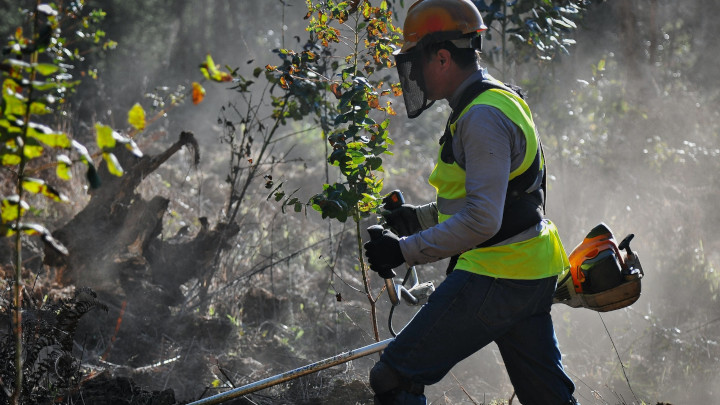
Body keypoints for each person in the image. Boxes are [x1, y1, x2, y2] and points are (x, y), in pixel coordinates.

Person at [362, 0, 578, 404]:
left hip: (497, 272)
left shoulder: (481, 117)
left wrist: (404, 251)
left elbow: (482, 219)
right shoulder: (494, 98)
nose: (412, 75)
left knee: (394, 377)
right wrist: (419, 218)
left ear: (442, 57)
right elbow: (501, 194)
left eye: (416, 62)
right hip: (527, 269)